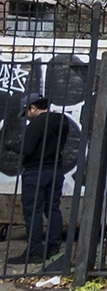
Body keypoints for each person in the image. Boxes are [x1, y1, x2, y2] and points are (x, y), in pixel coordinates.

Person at [6, 93, 79, 265]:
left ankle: (34, 251)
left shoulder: (36, 125)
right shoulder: (61, 121)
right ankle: (53, 247)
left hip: (35, 172)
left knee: (34, 212)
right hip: (55, 170)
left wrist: (13, 146)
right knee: (52, 209)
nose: (26, 116)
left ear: (32, 107)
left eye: (26, 112)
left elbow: (28, 149)